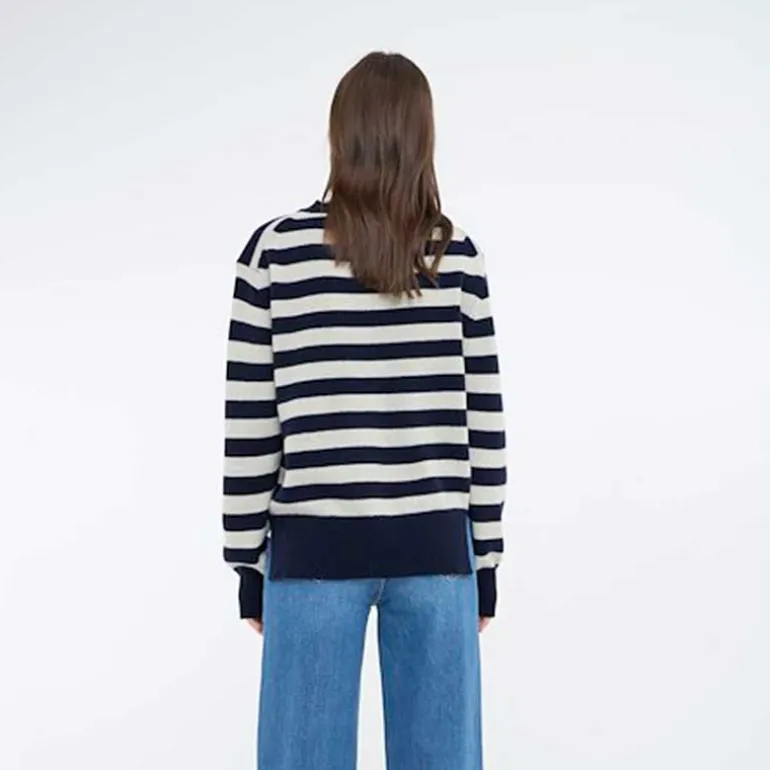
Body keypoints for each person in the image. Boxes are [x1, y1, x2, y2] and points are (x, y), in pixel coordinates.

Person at [221, 50, 506, 770]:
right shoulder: (455, 257)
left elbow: (251, 422)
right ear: (422, 137)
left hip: (313, 552)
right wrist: (486, 559)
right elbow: (484, 424)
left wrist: (246, 560)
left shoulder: (277, 253)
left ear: (338, 134)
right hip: (438, 552)